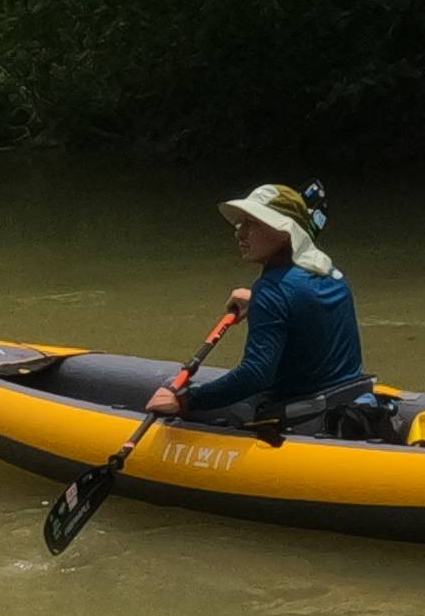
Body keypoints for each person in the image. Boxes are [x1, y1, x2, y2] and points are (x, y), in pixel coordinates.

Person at [147, 181, 368, 430]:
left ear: (284, 232)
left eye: (252, 224)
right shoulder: (330, 274)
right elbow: (304, 305)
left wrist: (186, 400)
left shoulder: (271, 290)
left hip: (302, 418)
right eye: (241, 224)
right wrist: (257, 302)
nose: (240, 233)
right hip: (346, 403)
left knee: (173, 394)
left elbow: (256, 374)